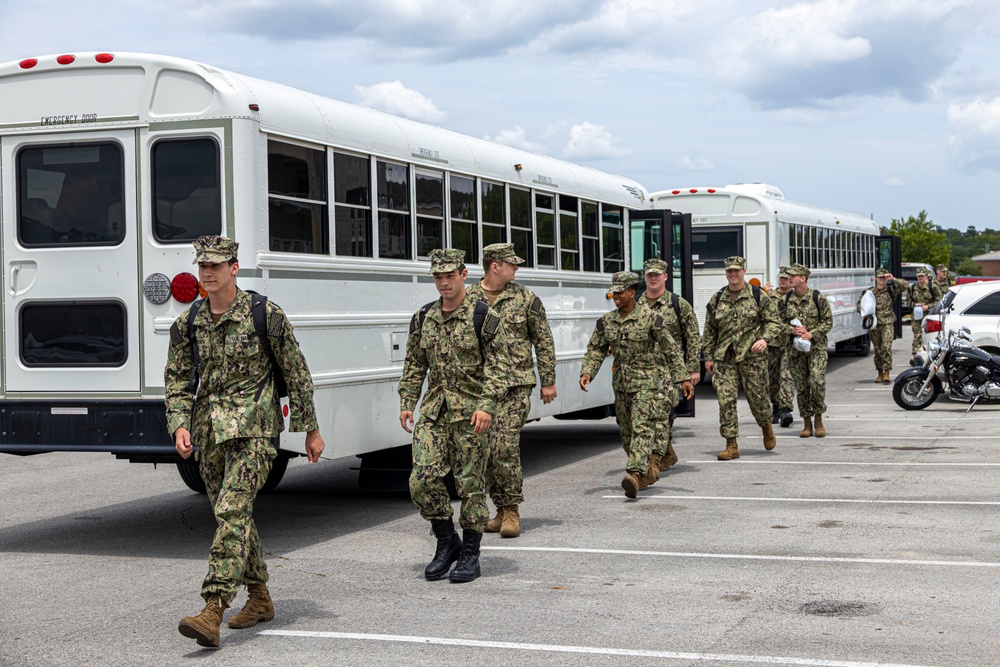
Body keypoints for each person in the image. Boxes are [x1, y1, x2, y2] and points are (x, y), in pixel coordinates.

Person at [165, 235, 325, 649]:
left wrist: (310, 429)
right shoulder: (189, 322)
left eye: (216, 266)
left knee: (234, 510)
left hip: (254, 432)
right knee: (231, 518)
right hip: (209, 434)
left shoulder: (264, 315)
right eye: (202, 266)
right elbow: (178, 381)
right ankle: (259, 598)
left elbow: (297, 372)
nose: (207, 273)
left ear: (235, 268)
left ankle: (212, 607)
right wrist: (179, 424)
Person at [399, 248, 511, 583]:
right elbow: (415, 363)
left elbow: (500, 367)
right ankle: (447, 542)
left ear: (464, 274)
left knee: (470, 487)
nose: (444, 282)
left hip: (472, 414)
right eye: (438, 276)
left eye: (450, 275)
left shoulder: (484, 317)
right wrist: (408, 399)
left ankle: (471, 555)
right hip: (435, 412)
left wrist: (487, 405)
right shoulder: (423, 317)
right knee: (422, 481)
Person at [467, 242, 556, 538]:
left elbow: (542, 340)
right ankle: (500, 509)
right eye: (511, 264)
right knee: (486, 451)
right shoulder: (468, 299)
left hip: (515, 385)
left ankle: (512, 511)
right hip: (480, 388)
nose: (516, 268)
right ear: (495, 266)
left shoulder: (525, 298)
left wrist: (548, 380)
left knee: (504, 447)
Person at [580, 271, 694, 498]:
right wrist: (587, 372)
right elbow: (596, 349)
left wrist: (683, 378)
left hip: (648, 385)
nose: (615, 297)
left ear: (632, 293)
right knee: (627, 433)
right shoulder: (607, 321)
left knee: (642, 428)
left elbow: (670, 349)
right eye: (614, 293)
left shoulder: (650, 318)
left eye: (620, 293)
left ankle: (633, 473)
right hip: (622, 386)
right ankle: (645, 475)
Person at [702, 256, 783, 461]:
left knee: (757, 400)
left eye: (737, 270)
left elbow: (774, 322)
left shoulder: (758, 296)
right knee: (725, 399)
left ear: (744, 271)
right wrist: (708, 357)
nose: (733, 274)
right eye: (729, 271)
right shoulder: (718, 298)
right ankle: (731, 444)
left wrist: (765, 339)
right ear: (726, 273)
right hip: (725, 358)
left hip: (752, 357)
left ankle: (766, 426)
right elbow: (710, 330)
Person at [638, 258, 700, 476]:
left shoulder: (677, 304)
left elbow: (692, 336)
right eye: (649, 275)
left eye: (657, 274)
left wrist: (692, 369)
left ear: (665, 276)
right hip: (642, 372)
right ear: (644, 277)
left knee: (661, 414)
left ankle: (655, 460)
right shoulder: (636, 305)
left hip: (669, 371)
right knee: (645, 417)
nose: (653, 278)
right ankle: (667, 452)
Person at [783, 263, 833, 438]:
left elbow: (828, 322)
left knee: (817, 382)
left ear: (802, 278)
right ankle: (806, 423)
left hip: (816, 349)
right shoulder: (786, 300)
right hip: (796, 352)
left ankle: (818, 419)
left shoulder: (817, 298)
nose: (789, 278)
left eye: (793, 276)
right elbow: (776, 323)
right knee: (802, 387)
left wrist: (812, 334)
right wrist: (791, 330)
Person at [858, 268, 908, 384]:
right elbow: (860, 305)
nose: (882, 280)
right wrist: (865, 315)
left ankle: (886, 372)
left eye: (884, 278)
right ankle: (879, 372)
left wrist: (893, 279)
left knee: (886, 347)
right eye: (880, 278)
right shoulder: (869, 292)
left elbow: (905, 286)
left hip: (887, 322)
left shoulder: (891, 290)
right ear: (876, 279)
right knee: (878, 349)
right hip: (874, 324)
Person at [767, 266, 796, 429]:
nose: (784, 280)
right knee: (773, 377)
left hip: (790, 343)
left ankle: (786, 409)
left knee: (786, 375)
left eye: (787, 278)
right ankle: (776, 407)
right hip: (773, 343)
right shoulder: (770, 297)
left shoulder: (795, 297)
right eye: (782, 278)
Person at [908, 267, 942, 355]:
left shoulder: (932, 287)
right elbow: (908, 301)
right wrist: (914, 305)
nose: (920, 278)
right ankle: (915, 356)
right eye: (919, 276)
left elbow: (939, 301)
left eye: (922, 276)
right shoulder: (912, 288)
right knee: (917, 336)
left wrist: (928, 306)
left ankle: (929, 355)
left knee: (929, 336)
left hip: (929, 315)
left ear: (926, 276)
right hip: (916, 316)